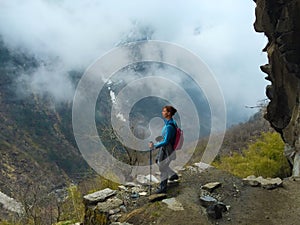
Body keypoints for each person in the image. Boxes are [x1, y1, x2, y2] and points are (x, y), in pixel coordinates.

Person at [149, 105, 179, 194]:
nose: (162, 112)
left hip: (167, 149)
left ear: (169, 113)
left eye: (164, 111)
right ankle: (173, 175)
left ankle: (163, 188)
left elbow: (166, 141)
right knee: (158, 161)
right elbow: (167, 137)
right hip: (165, 148)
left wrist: (154, 146)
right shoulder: (170, 122)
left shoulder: (169, 126)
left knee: (162, 167)